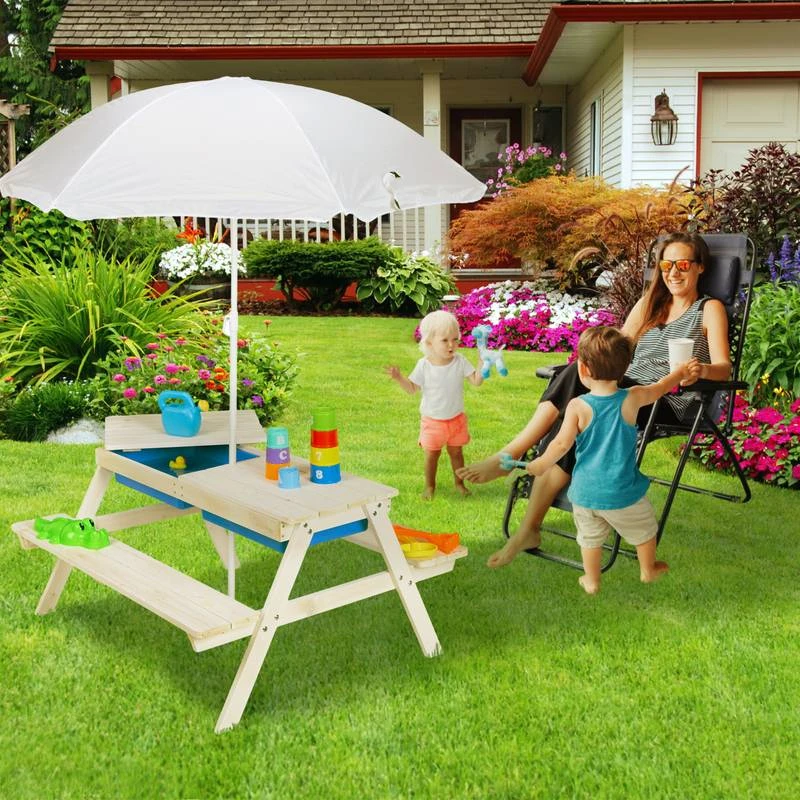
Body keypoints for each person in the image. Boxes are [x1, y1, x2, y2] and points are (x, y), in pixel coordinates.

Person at [454, 231, 732, 566]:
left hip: (665, 400)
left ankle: (511, 463)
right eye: (667, 264)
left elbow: (724, 369)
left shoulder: (709, 309)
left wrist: (700, 370)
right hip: (622, 390)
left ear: (700, 268)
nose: (673, 272)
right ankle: (527, 519)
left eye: (683, 264)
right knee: (578, 397)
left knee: (583, 403)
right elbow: (617, 350)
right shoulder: (648, 305)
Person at [522, 326, 693, 594]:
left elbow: (561, 444)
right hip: (621, 492)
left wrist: (541, 464)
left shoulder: (578, 406)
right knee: (645, 528)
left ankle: (591, 580)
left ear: (583, 370)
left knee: (589, 537)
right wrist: (680, 373)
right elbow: (660, 388)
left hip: (584, 493)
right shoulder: (633, 397)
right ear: (624, 369)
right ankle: (648, 570)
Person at [386, 310, 483, 499]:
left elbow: (476, 381)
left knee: (456, 453)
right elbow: (412, 388)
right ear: (429, 343)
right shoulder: (424, 365)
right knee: (432, 455)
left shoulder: (460, 361)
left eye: (455, 339)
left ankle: (459, 484)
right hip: (432, 421)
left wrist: (482, 363)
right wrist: (399, 378)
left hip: (456, 420)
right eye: (445, 340)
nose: (452, 345)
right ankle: (429, 487)